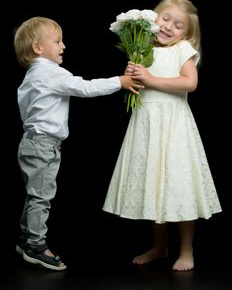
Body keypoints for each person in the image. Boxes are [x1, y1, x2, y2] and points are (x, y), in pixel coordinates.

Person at [103, 0, 222, 271]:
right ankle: (159, 246)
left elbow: (190, 82)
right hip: (147, 124)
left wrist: (152, 79)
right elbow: (135, 81)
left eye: (178, 25)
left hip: (174, 127)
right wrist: (132, 75)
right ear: (154, 17)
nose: (169, 27)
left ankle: (186, 249)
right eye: (165, 18)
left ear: (188, 33)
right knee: (155, 184)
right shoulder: (143, 47)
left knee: (178, 187)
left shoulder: (183, 50)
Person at [14, 16, 143, 271]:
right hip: (43, 145)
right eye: (58, 41)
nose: (63, 46)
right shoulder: (50, 72)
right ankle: (36, 246)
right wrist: (120, 81)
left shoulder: (31, 76)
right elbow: (84, 88)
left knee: (34, 196)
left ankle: (26, 238)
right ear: (38, 48)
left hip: (30, 142)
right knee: (41, 198)